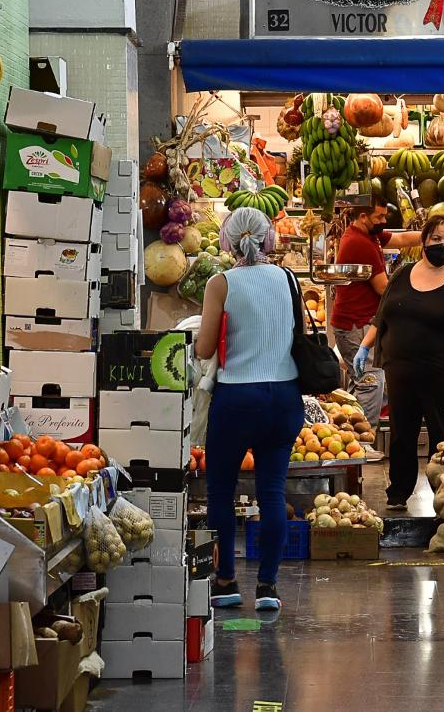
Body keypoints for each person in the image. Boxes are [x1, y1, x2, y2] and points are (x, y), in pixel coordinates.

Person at [194, 207, 304, 613]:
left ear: (227, 240)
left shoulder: (220, 283)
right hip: (284, 396)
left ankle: (225, 582)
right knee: (272, 491)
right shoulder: (288, 278)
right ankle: (268, 587)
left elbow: (205, 348)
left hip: (237, 398)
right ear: (268, 240)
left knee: (221, 490)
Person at [355, 216, 444, 510]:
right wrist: (364, 346)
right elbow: (382, 316)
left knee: (441, 435)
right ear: (424, 240)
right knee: (402, 434)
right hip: (399, 369)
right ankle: (399, 492)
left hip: (441, 372)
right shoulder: (402, 274)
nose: (441, 245)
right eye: (436, 239)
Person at [331, 204, 422, 428]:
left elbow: (401, 240)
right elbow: (383, 288)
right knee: (371, 381)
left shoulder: (368, 234)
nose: (383, 220)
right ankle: (364, 441)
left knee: (364, 382)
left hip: (358, 322)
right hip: (356, 325)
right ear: (363, 217)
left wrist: (432, 235)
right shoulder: (360, 243)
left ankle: (351, 432)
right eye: (379, 216)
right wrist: (416, 295)